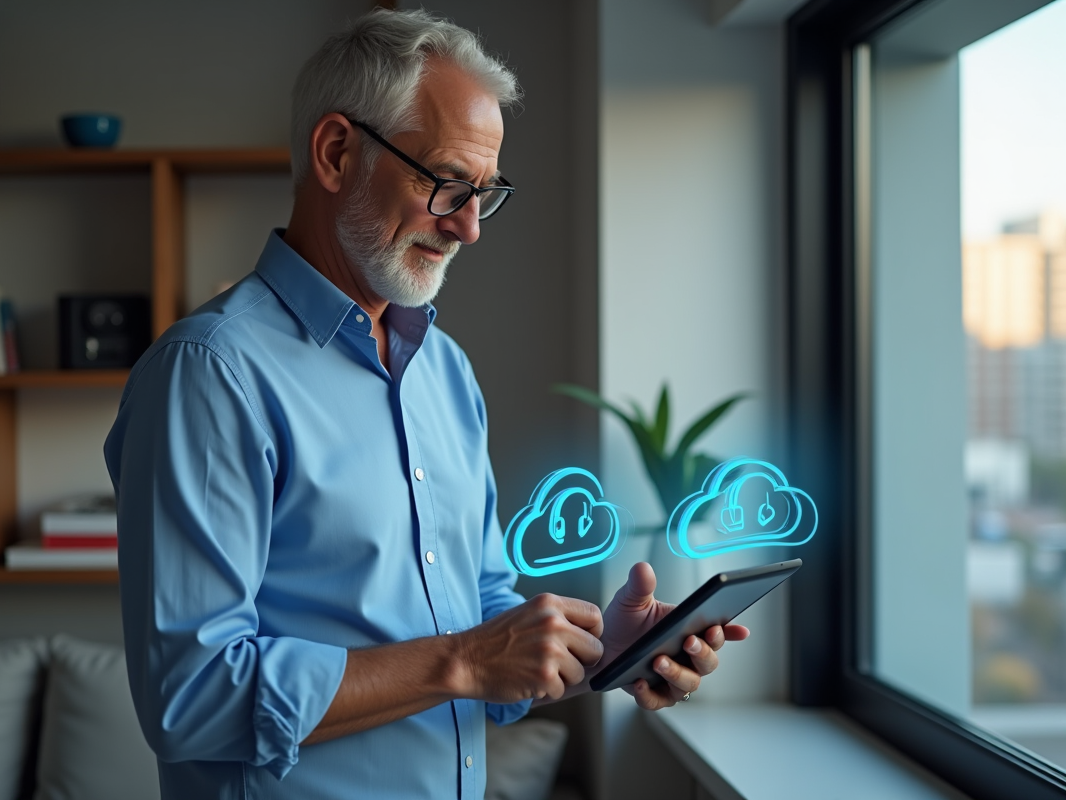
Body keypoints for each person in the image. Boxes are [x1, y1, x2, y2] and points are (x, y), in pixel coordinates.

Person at [104, 9, 749, 799]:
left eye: (485, 192)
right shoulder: (209, 374)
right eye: (445, 182)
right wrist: (465, 661)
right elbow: (190, 699)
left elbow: (483, 621)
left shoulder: (443, 370)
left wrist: (602, 652)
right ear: (336, 153)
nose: (469, 227)